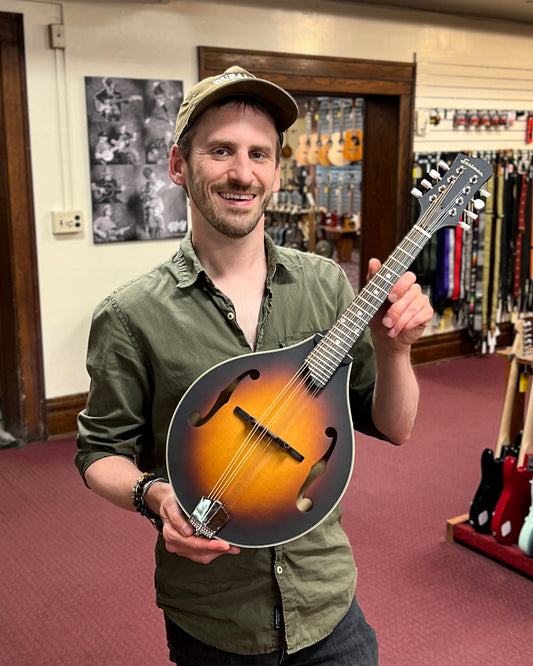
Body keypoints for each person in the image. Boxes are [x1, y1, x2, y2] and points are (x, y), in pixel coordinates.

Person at [76, 65, 433, 664]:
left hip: (326, 601)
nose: (243, 173)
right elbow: (97, 453)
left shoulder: (325, 285)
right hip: (215, 617)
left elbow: (394, 425)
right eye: (221, 151)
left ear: (274, 169)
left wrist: (398, 352)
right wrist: (156, 496)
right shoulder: (131, 314)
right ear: (178, 166)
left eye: (259, 154)